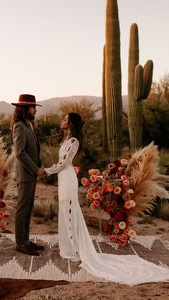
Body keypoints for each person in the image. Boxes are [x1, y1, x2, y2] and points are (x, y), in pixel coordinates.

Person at [44, 112, 169, 285]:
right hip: (63, 179)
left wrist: (46, 170)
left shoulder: (73, 141)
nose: (62, 121)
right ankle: (67, 247)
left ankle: (73, 249)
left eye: (65, 119)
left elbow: (64, 163)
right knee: (65, 210)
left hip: (67, 178)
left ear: (71, 124)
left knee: (69, 211)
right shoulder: (66, 140)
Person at [11, 94, 45, 256]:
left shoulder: (29, 125)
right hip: (25, 175)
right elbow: (20, 153)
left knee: (29, 208)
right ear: (25, 109)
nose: (35, 110)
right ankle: (20, 243)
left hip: (31, 174)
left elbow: (33, 150)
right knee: (23, 209)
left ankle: (25, 240)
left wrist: (39, 165)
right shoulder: (19, 126)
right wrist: (35, 169)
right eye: (33, 107)